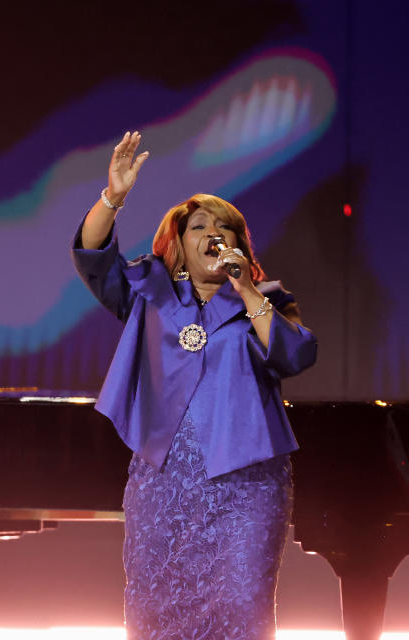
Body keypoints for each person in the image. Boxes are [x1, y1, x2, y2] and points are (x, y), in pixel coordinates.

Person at [71, 131, 318, 638]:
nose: (213, 233)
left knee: (241, 611)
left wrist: (246, 286)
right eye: (199, 226)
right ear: (179, 246)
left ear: (240, 247)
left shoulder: (264, 299)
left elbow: (294, 354)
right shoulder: (148, 289)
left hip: (247, 487)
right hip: (162, 486)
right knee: (156, 616)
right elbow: (92, 256)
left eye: (224, 228)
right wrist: (112, 195)